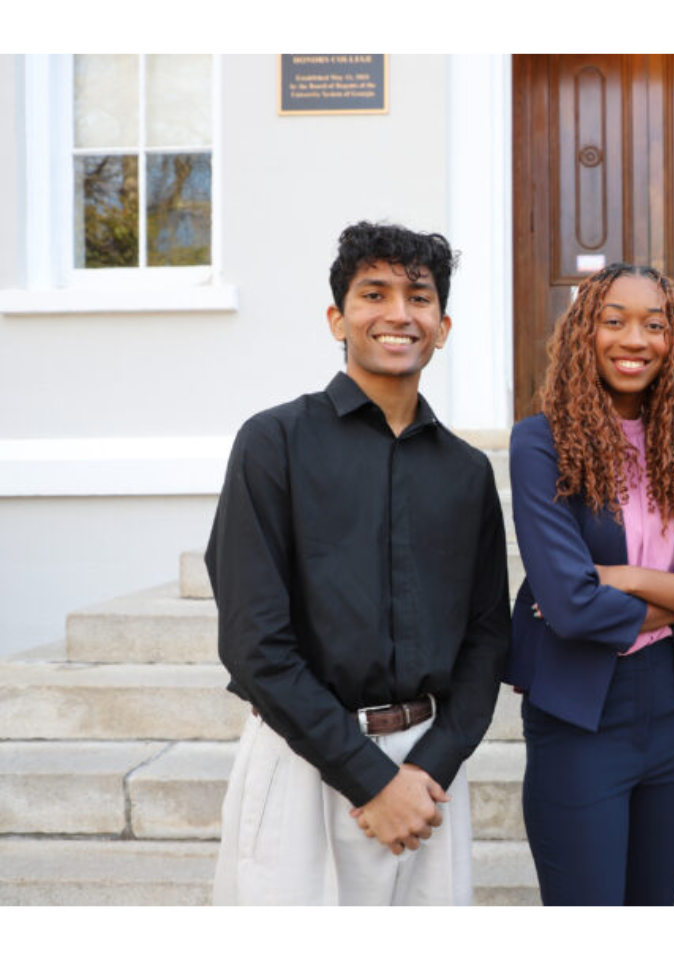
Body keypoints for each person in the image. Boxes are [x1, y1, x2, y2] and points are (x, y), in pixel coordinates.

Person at [206, 221, 510, 905]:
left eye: (419, 298)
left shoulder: (466, 473)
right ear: (337, 318)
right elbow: (254, 643)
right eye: (374, 294)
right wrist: (369, 779)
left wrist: (429, 769)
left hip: (427, 775)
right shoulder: (272, 443)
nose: (399, 314)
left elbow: (488, 637)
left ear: (444, 324)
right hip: (301, 762)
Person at [506, 262, 674, 905]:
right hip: (581, 717)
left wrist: (633, 578)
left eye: (654, 324)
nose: (634, 340)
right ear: (583, 332)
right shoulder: (541, 445)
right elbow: (571, 608)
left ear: (673, 340)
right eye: (613, 321)